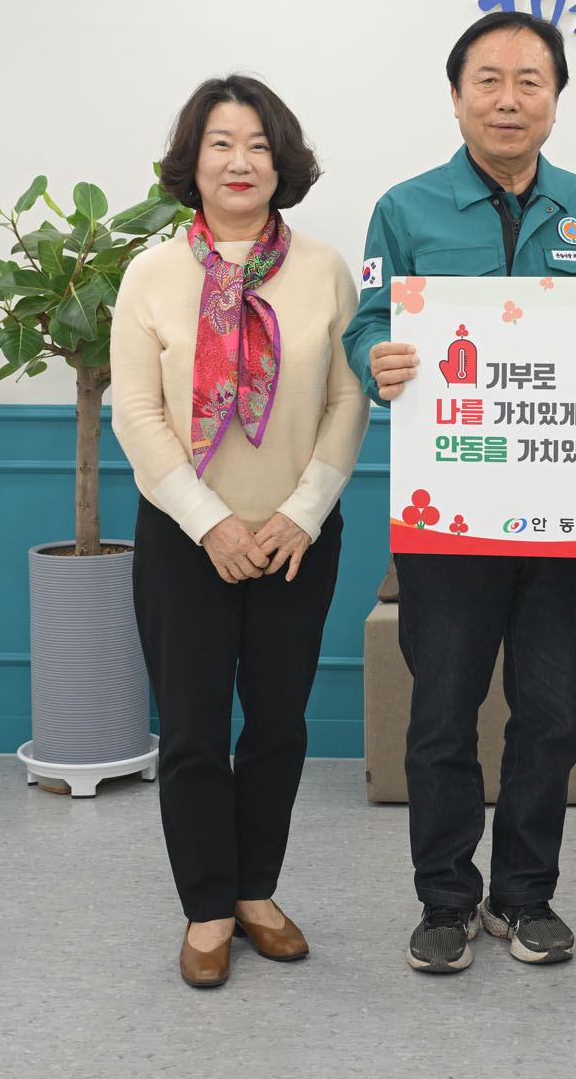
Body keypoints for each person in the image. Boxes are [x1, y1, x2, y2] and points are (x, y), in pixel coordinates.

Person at [341, 10, 576, 974]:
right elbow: (366, 322)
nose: (509, 100)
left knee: (552, 717)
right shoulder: (404, 209)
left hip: (562, 513)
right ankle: (446, 899)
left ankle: (525, 895)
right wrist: (374, 355)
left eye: (530, 81)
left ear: (556, 98)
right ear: (457, 96)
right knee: (441, 716)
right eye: (489, 81)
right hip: (448, 512)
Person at [111, 74, 369, 989]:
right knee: (190, 730)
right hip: (186, 538)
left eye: (258, 144)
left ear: (282, 161)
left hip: (298, 540)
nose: (240, 161)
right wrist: (212, 523)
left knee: (277, 726)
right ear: (193, 160)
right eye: (221, 143)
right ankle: (208, 908)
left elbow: (347, 399)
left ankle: (257, 891)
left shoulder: (325, 270)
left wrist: (300, 515)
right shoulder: (151, 273)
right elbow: (137, 412)